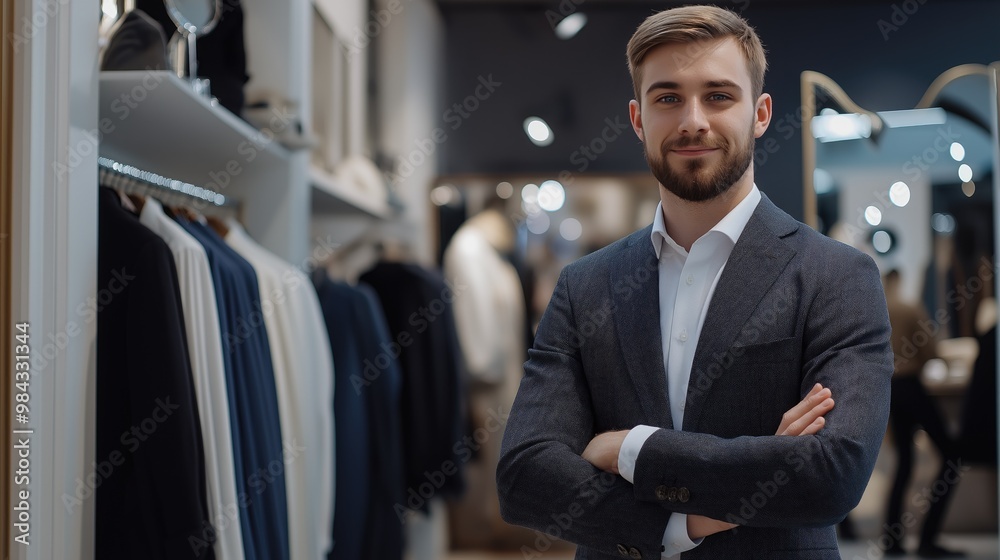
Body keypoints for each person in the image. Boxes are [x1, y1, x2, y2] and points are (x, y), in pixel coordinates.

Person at [496, 6, 893, 560]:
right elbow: (523, 477)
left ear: (760, 113)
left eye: (718, 96)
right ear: (637, 119)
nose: (692, 120)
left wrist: (631, 447)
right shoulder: (584, 286)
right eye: (667, 98)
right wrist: (694, 518)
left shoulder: (835, 276)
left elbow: (831, 475)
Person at [881, 269, 964, 558]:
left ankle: (892, 539)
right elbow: (930, 349)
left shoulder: (879, 307)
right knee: (951, 455)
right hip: (912, 386)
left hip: (891, 389)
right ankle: (928, 537)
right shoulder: (908, 306)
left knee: (904, 462)